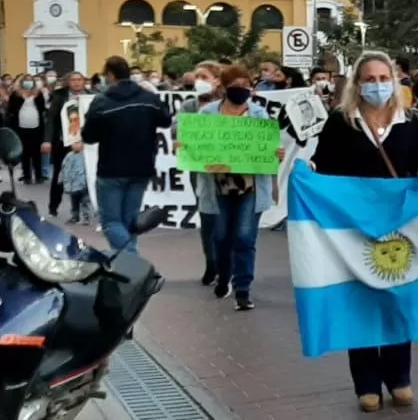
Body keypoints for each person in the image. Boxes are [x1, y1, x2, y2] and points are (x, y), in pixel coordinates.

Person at [310, 51, 418, 413]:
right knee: (360, 304)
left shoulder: (409, 124)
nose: (377, 85)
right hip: (354, 230)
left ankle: (399, 378)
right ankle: (366, 383)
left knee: (396, 302)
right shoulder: (341, 123)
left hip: (398, 230)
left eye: (383, 78)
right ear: (357, 85)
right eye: (370, 79)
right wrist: (304, 168)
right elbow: (324, 169)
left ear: (393, 80)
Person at [185, 65, 281, 310]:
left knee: (244, 237)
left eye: (246, 84)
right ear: (225, 88)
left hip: (250, 187)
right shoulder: (207, 115)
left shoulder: (259, 115)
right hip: (218, 188)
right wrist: (187, 147)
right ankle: (223, 275)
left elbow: (269, 147)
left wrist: (275, 156)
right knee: (221, 236)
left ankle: (243, 288)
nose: (242, 89)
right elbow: (194, 145)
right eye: (236, 85)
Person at [81, 57, 171, 252]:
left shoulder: (102, 101)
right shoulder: (148, 98)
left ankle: (131, 258)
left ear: (111, 75)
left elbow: (88, 136)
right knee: (130, 220)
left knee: (111, 221)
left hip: (111, 168)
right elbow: (165, 120)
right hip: (142, 167)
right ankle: (128, 270)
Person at [177, 61, 224, 286]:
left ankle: (227, 264)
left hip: (229, 169)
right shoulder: (188, 105)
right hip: (201, 168)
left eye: (204, 76)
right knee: (207, 215)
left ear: (217, 80)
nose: (199, 81)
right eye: (197, 77)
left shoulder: (229, 104)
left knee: (227, 217)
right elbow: (178, 129)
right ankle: (211, 262)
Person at [43, 71, 88, 216]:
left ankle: (81, 210)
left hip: (85, 143)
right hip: (64, 142)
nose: (76, 82)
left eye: (79, 79)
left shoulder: (92, 96)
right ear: (68, 82)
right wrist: (47, 140)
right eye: (73, 80)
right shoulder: (59, 96)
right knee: (60, 175)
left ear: (84, 81)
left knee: (84, 176)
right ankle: (53, 207)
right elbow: (51, 120)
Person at [8, 74, 47, 183]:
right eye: (26, 81)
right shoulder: (15, 95)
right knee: (25, 153)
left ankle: (39, 175)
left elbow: (42, 108)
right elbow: (11, 109)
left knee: (37, 152)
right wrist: (23, 98)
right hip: (21, 127)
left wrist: (34, 97)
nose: (28, 82)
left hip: (36, 126)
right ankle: (27, 176)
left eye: (30, 81)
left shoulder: (38, 94)